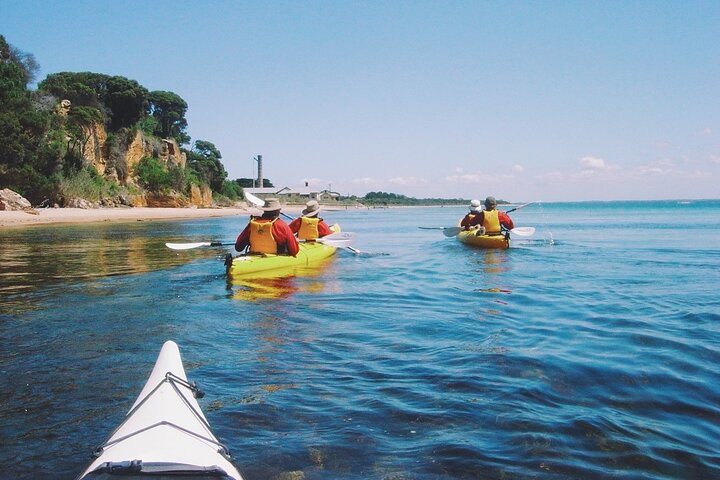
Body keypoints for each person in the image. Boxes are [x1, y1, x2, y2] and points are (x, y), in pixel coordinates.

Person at [234, 198, 299, 256]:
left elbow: (238, 248)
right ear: (278, 210)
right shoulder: (282, 225)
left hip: (254, 256)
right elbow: (294, 251)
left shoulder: (252, 224)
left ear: (264, 210)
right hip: (275, 259)